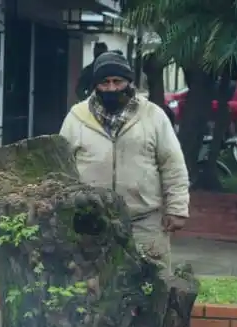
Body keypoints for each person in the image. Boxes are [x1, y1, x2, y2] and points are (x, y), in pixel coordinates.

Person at [60, 51, 189, 274]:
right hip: (90, 224)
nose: (111, 88)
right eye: (105, 82)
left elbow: (172, 164)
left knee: (151, 286)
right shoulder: (76, 117)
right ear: (96, 85)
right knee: (92, 290)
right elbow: (62, 167)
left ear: (129, 83)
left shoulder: (153, 116)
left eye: (117, 81)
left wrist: (177, 208)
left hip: (144, 221)